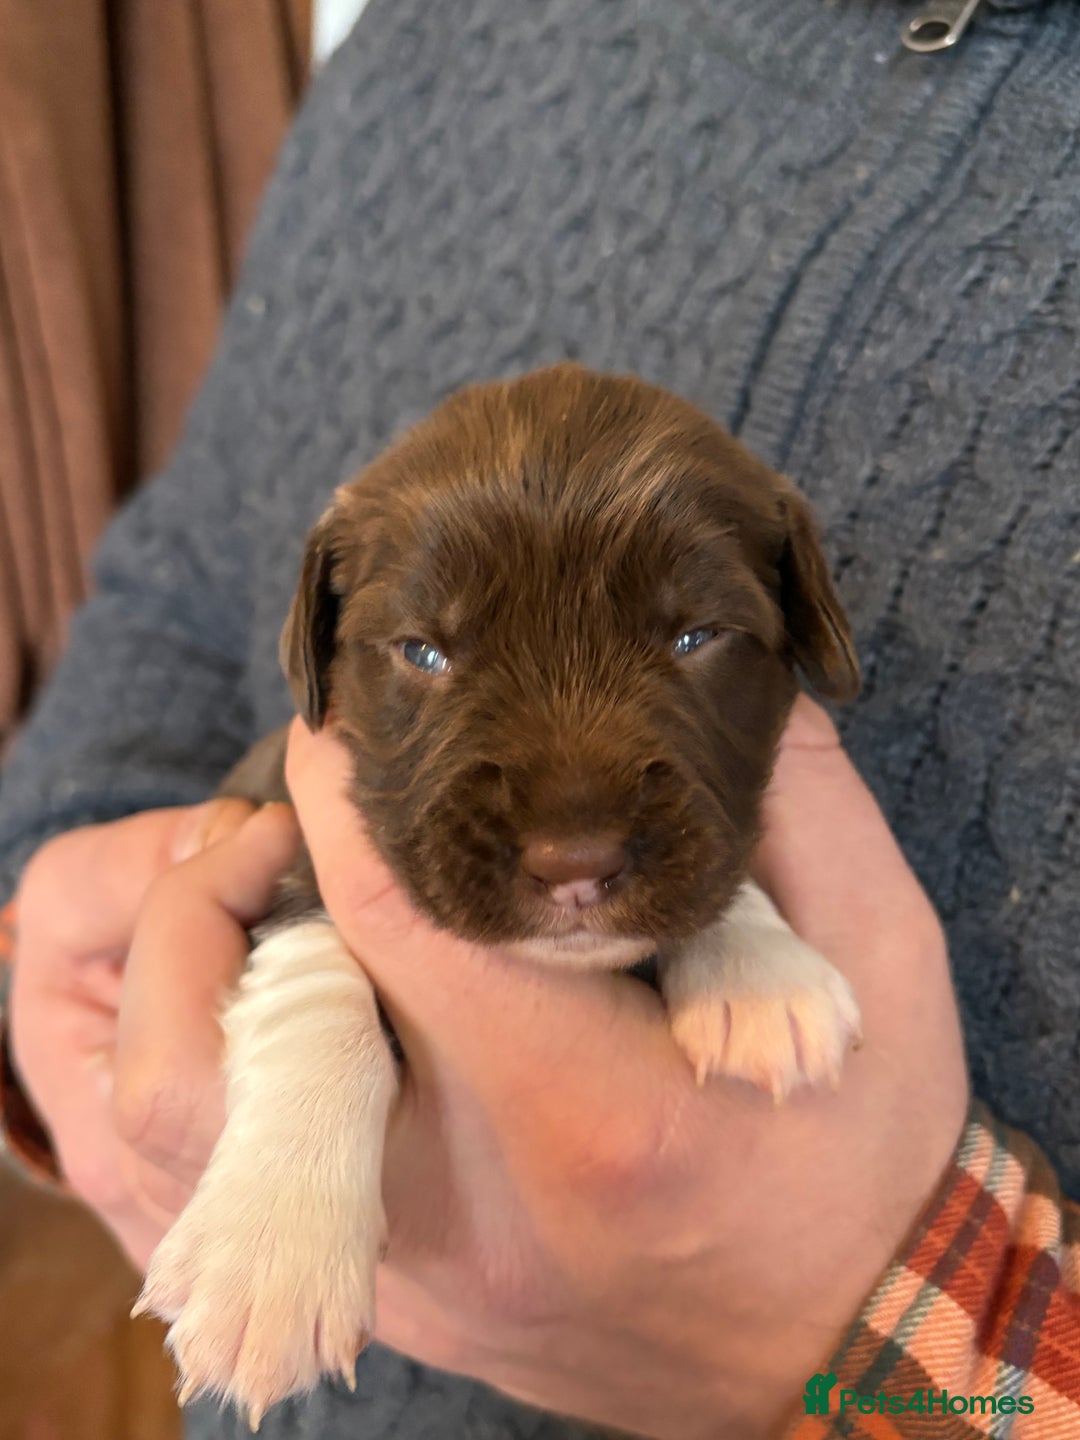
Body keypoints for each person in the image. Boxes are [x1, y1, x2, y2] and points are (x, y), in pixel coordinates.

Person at [1, 1, 1078, 1437]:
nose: (570, 837)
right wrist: (46, 956)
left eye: (697, 635)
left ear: (803, 615)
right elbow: (170, 595)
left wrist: (926, 1341)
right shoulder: (429, 37)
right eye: (431, 655)